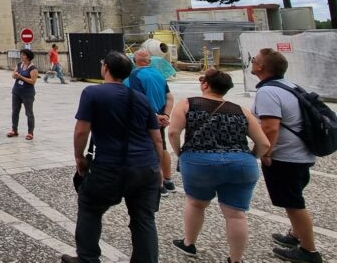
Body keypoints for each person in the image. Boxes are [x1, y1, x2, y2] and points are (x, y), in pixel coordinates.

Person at [61, 51, 163, 263]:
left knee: (90, 206)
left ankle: (87, 258)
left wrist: (79, 157)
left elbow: (82, 131)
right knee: (143, 219)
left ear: (105, 68)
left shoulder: (93, 93)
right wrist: (158, 168)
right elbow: (157, 139)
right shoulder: (141, 99)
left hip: (111, 166)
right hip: (146, 167)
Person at [168, 67, 269, 263]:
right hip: (241, 163)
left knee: (196, 203)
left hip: (199, 161)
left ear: (205, 84)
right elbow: (264, 143)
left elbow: (173, 132)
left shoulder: (188, 104)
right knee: (236, 214)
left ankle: (189, 243)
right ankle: (236, 259)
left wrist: (181, 153)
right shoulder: (242, 111)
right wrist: (250, 157)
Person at [251, 48, 322, 263]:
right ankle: (295, 235)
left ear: (262, 67)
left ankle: (309, 251)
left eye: (255, 59)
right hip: (301, 154)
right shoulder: (289, 86)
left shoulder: (267, 92)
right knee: (293, 197)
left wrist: (265, 152)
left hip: (286, 157)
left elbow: (270, 128)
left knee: (294, 203)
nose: (252, 61)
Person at [124, 48, 177, 195]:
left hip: (147, 118)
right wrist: (165, 115)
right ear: (149, 60)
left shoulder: (135, 76)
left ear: (134, 61)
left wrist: (154, 116)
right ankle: (168, 180)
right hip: (161, 116)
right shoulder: (159, 74)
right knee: (163, 146)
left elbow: (139, 99)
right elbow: (170, 97)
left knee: (151, 149)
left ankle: (158, 185)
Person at [8, 48, 38, 140]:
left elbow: (33, 81)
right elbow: (13, 75)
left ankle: (30, 132)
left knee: (29, 113)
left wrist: (21, 77)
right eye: (21, 54)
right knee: (15, 111)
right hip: (16, 91)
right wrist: (14, 75)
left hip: (27, 93)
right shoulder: (19, 65)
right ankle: (14, 130)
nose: (21, 56)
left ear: (28, 57)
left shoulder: (33, 68)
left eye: (23, 55)